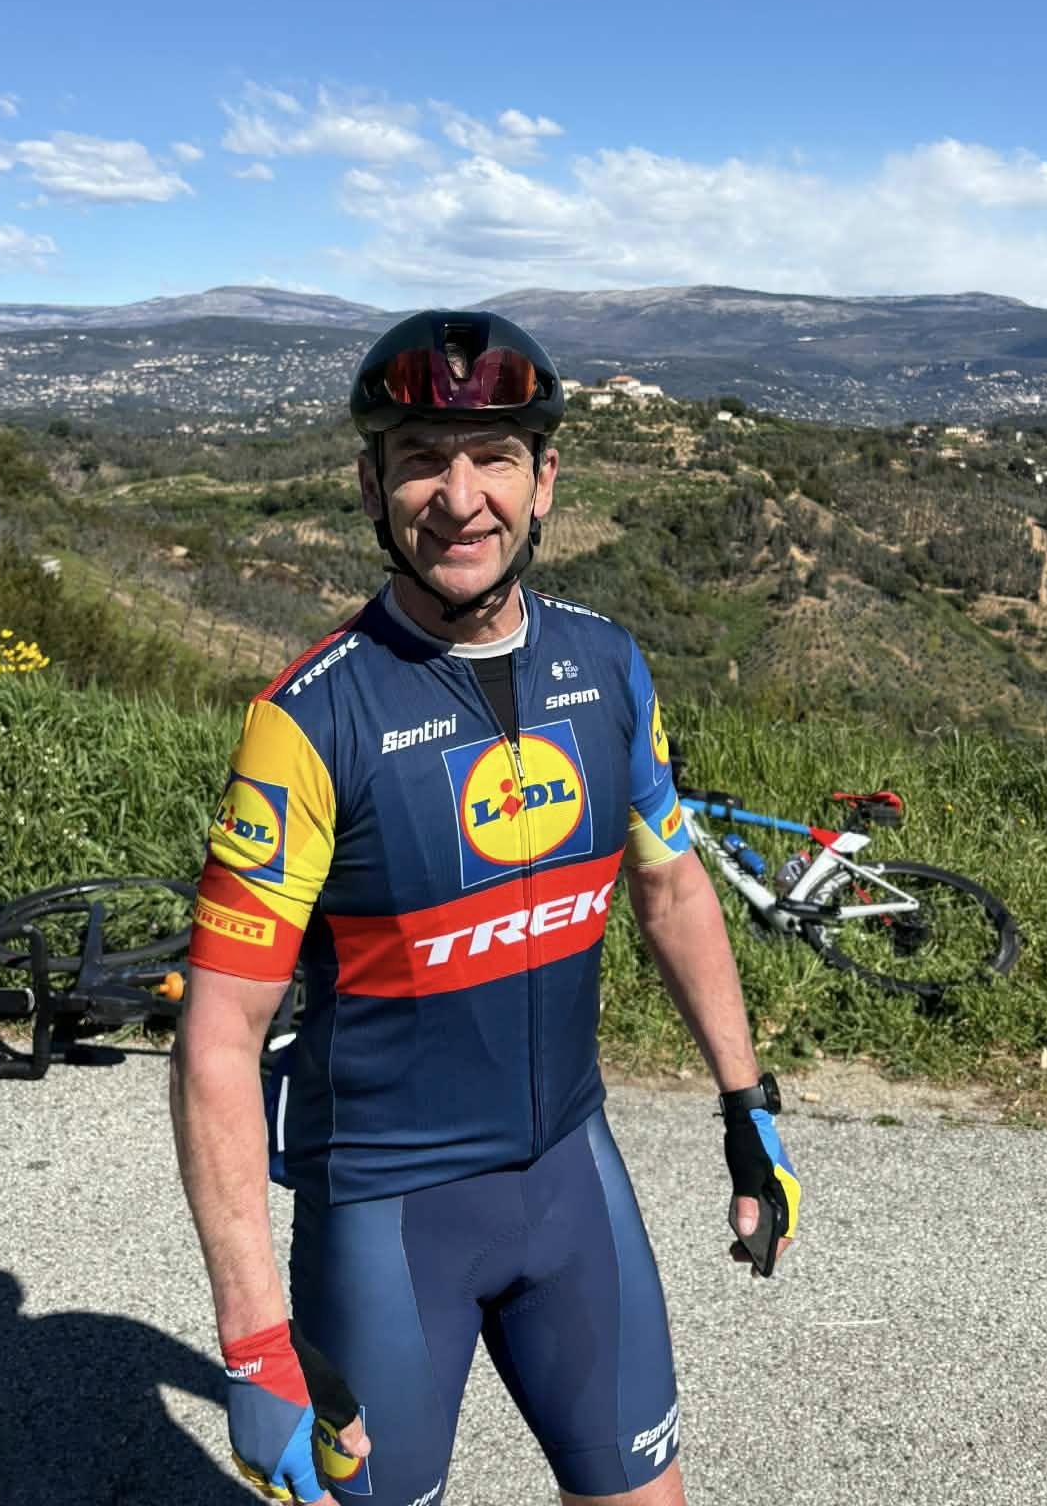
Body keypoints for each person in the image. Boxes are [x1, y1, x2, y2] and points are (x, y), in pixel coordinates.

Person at [170, 309, 800, 1506]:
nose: (460, 499)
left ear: (545, 479)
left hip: (572, 1175)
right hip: (388, 1215)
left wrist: (745, 1102)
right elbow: (218, 1031)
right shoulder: (309, 719)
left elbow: (671, 884)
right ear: (373, 485)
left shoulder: (609, 667)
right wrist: (253, 1336)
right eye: (421, 459)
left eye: (494, 457)